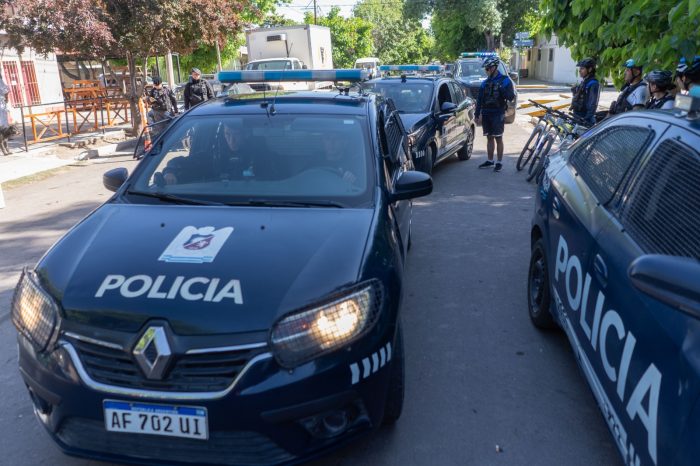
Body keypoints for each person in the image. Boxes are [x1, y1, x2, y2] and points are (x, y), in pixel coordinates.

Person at [475, 56, 515, 172]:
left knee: (498, 137)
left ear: (494, 67)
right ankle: (490, 160)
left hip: (498, 113)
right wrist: (477, 114)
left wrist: (502, 88)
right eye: (485, 69)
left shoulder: (505, 80)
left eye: (487, 68)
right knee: (489, 137)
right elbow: (479, 99)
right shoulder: (485, 83)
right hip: (486, 113)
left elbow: (511, 97)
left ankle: (499, 162)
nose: (486, 71)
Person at [570, 58, 600, 125]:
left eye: (582, 68)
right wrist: (575, 91)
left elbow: (593, 104)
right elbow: (581, 97)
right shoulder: (585, 81)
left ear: (590, 69)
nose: (579, 71)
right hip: (577, 115)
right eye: (580, 68)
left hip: (584, 118)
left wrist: (586, 119)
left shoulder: (593, 83)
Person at [0, 77, 16, 156]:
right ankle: (5, 150)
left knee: (3, 131)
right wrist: (6, 99)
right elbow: (6, 91)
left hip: (1, 108)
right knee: (3, 130)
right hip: (2, 107)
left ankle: (6, 150)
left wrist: (6, 99)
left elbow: (6, 90)